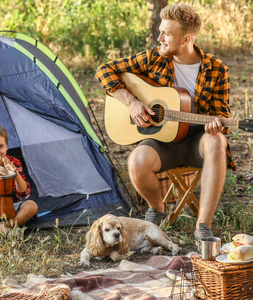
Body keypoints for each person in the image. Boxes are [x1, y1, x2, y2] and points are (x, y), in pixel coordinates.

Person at [95, 3, 235, 243]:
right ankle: (158, 209)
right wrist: (131, 102)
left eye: (166, 34)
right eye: (160, 31)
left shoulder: (216, 69)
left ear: (186, 38)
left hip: (196, 140)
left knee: (217, 140)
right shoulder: (153, 58)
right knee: (137, 160)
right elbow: (104, 70)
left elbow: (221, 115)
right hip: (162, 140)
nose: (158, 37)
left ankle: (203, 226)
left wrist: (217, 126)